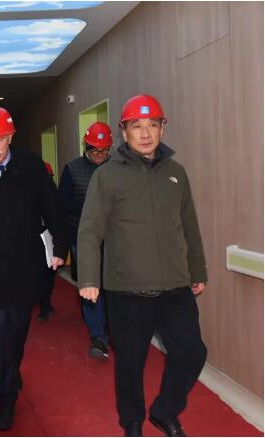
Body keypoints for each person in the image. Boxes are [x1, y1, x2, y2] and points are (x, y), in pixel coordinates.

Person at [78, 95, 208, 437]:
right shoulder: (107, 176)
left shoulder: (176, 173)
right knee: (130, 363)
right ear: (125, 132)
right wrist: (88, 278)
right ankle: (132, 422)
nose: (146, 133)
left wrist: (197, 269)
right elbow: (90, 230)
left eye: (152, 125)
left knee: (191, 352)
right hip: (127, 290)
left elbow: (189, 226)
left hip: (175, 286)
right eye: (137, 126)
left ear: (163, 128)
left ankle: (165, 411)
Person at [0, 107, 68, 431]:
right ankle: (5, 398)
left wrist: (60, 247)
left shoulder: (31, 166)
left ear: (11, 136)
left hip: (25, 266)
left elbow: (52, 207)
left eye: (1, 137)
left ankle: (12, 369)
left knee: (18, 330)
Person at [57, 122, 113, 357]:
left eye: (103, 151)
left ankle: (111, 328)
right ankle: (97, 336)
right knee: (90, 285)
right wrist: (90, 209)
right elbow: (62, 201)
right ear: (85, 147)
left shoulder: (119, 168)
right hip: (82, 236)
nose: (99, 155)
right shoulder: (72, 168)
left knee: (112, 284)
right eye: (94, 151)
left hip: (114, 237)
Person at [37, 161, 57, 323]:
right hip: (32, 236)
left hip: (48, 236)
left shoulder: (54, 194)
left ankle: (45, 305)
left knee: (49, 272)